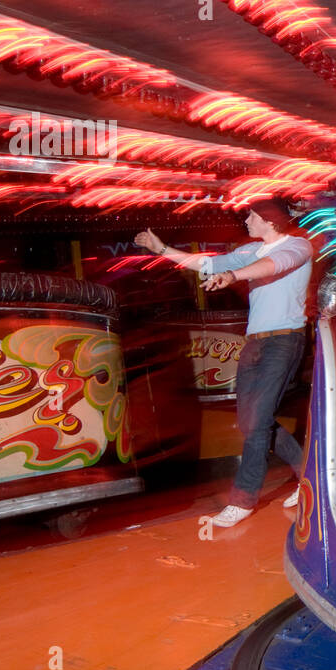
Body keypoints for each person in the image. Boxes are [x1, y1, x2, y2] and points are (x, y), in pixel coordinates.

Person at [135, 198, 312, 528]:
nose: (246, 220)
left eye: (252, 215)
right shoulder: (248, 251)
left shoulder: (298, 246)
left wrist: (234, 276)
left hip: (284, 341)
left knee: (258, 420)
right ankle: (309, 475)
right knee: (250, 421)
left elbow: (274, 266)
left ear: (271, 221)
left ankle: (243, 499)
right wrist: (162, 249)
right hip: (255, 343)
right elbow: (206, 264)